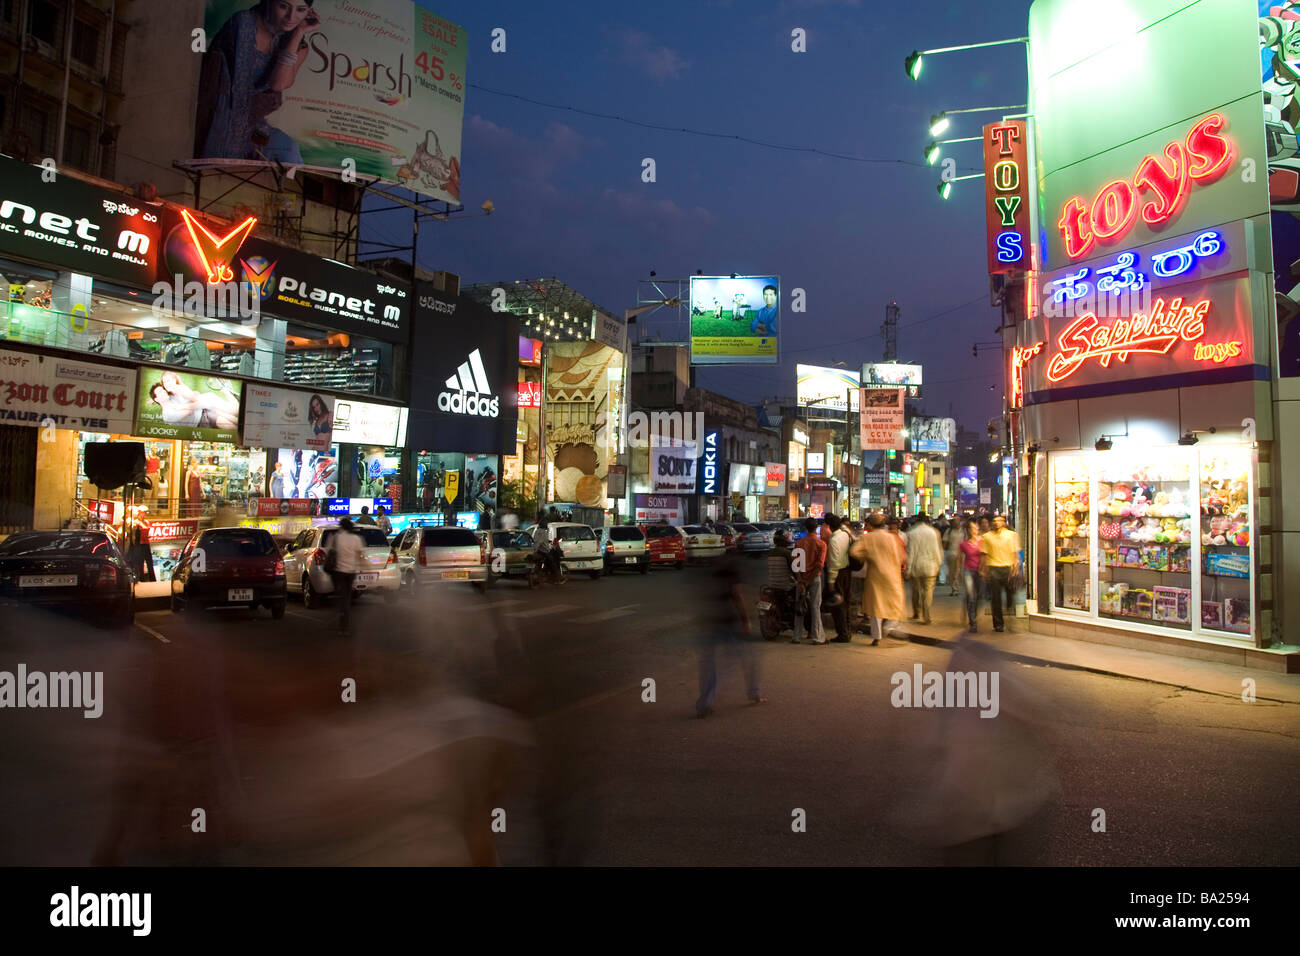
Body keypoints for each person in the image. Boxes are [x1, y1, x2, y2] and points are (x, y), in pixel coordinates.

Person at [195, 0, 320, 164]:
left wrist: (298, 33)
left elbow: (278, 84)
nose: (291, 16)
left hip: (252, 120)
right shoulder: (245, 22)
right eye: (283, 6)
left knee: (289, 149)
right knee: (224, 164)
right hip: (221, 111)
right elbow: (239, 88)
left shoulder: (299, 46)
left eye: (301, 10)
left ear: (309, 12)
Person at [695, 552, 762, 717]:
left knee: (708, 664)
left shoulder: (712, 572)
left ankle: (705, 703)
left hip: (711, 623)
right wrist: (746, 620)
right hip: (729, 622)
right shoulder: (732, 572)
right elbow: (737, 596)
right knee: (746, 657)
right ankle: (754, 693)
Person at [854, 513, 907, 646]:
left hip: (875, 575)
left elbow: (854, 552)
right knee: (895, 603)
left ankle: (877, 637)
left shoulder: (867, 538)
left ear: (871, 525)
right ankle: (888, 627)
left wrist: (868, 557)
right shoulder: (891, 537)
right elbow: (902, 557)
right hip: (892, 575)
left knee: (876, 607)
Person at [979, 514, 1022, 633]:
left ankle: (1011, 618)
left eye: (999, 521)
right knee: (996, 598)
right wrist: (983, 570)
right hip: (993, 569)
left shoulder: (1012, 535)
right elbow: (984, 555)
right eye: (995, 521)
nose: (997, 523)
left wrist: (1016, 566)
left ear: (1004, 523)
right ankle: (998, 624)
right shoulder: (987, 537)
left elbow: (1015, 553)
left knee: (1010, 596)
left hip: (1007, 568)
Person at [327, 517, 367, 636]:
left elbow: (330, 552)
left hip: (338, 572)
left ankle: (341, 621)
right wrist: (366, 567)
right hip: (350, 572)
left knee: (341, 597)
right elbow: (360, 554)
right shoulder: (356, 538)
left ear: (341, 526)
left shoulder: (336, 537)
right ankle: (344, 624)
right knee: (347, 598)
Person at [793, 517, 826, 644]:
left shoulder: (799, 544)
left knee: (800, 606)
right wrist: (808, 581)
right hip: (814, 579)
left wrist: (801, 581)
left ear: (806, 528)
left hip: (801, 579)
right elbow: (819, 565)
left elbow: (796, 565)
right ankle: (817, 637)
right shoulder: (821, 544)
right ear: (816, 527)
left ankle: (796, 636)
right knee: (815, 607)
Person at [906, 514, 944, 625]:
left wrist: (908, 570)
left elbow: (910, 553)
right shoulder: (934, 533)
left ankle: (916, 612)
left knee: (916, 591)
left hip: (916, 567)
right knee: (928, 592)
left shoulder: (911, 533)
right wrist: (938, 565)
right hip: (931, 567)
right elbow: (938, 551)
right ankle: (926, 615)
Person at [825, 514, 854, 642]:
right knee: (846, 602)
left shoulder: (834, 539)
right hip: (847, 571)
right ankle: (848, 631)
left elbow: (833, 562)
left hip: (838, 575)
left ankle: (842, 634)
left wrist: (831, 581)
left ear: (829, 526)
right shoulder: (845, 533)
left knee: (838, 606)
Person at [959, 519, 984, 632]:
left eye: (976, 528)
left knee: (979, 596)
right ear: (968, 530)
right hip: (968, 571)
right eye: (972, 528)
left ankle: (972, 614)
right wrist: (956, 573)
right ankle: (973, 622)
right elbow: (958, 559)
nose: (974, 530)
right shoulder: (964, 544)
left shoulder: (982, 541)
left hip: (980, 571)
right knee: (971, 596)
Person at [944, 516, 964, 596]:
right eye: (955, 520)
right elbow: (945, 543)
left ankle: (957, 587)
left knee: (959, 571)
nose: (956, 522)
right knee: (952, 572)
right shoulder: (949, 531)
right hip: (951, 554)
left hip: (962, 554)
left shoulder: (964, 531)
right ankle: (954, 588)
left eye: (958, 520)